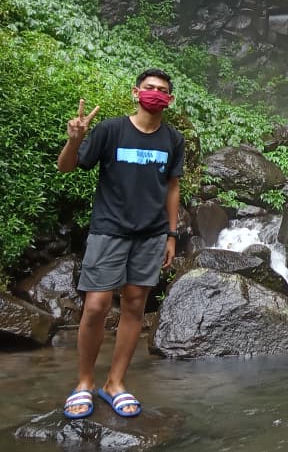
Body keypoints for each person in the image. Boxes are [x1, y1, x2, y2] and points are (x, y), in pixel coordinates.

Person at [57, 68, 185, 419]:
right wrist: (74, 139)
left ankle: (115, 383)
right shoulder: (111, 130)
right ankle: (84, 382)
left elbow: (172, 187)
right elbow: (66, 167)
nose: (155, 93)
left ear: (170, 99)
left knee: (134, 305)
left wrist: (171, 235)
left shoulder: (173, 140)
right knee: (96, 306)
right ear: (135, 92)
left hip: (151, 234)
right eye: (149, 88)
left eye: (162, 90)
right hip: (109, 230)